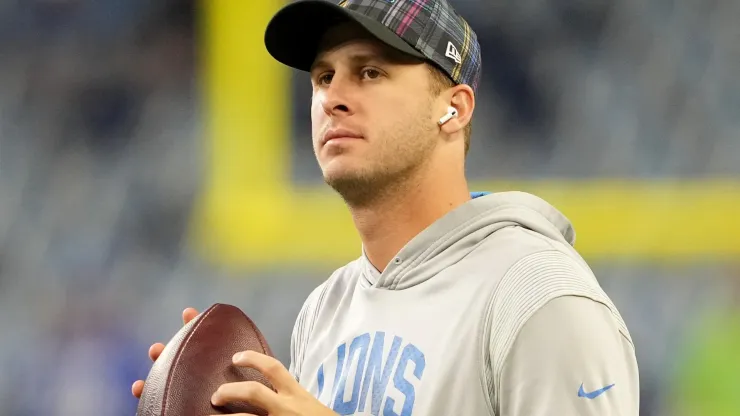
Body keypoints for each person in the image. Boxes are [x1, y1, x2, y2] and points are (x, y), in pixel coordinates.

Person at [132, 0, 640, 414]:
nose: (334, 98)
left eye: (370, 72)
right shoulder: (326, 309)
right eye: (323, 77)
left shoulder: (538, 296)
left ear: (454, 108)